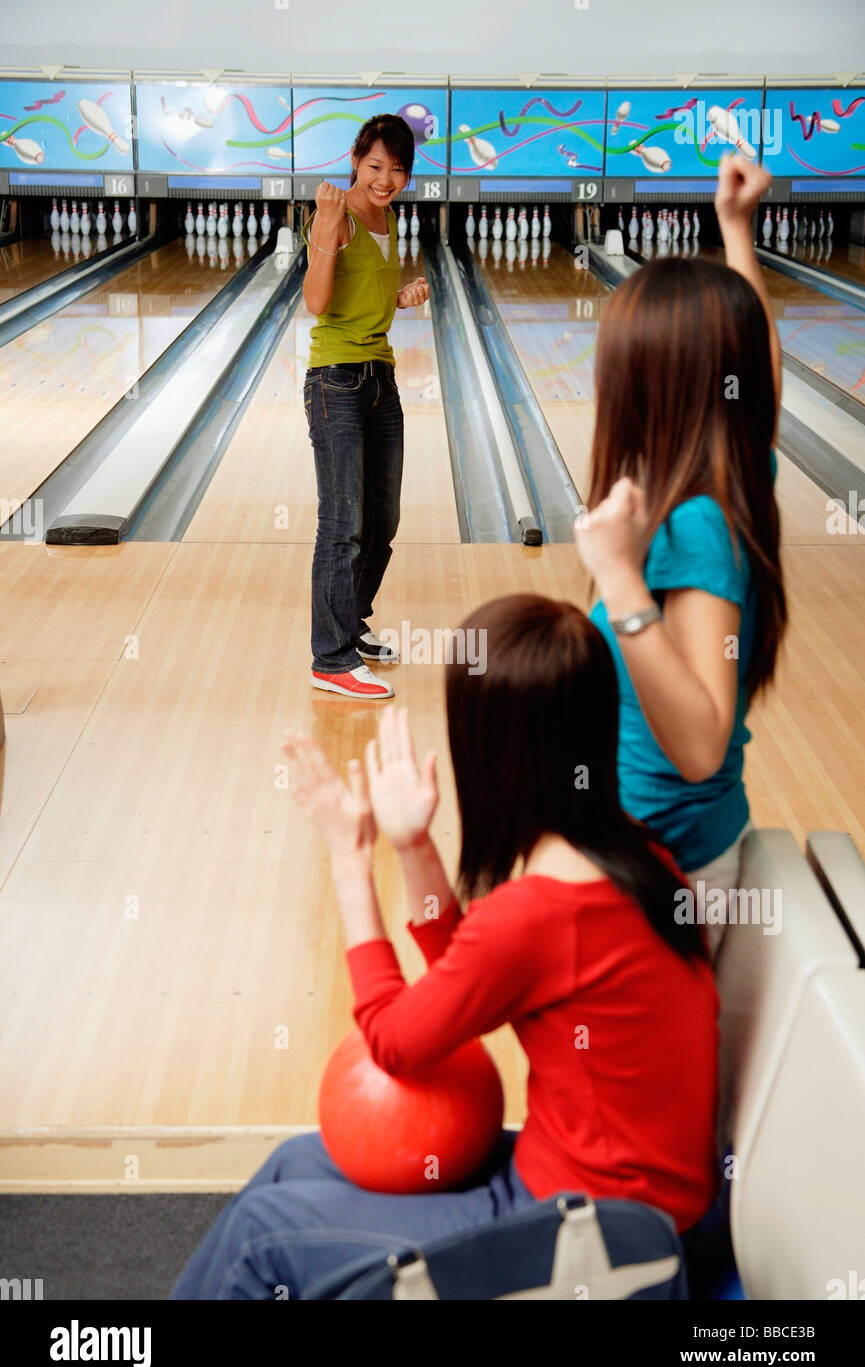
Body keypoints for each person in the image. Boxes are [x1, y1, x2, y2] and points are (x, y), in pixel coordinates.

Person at [173, 597, 718, 1299]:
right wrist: (411, 845)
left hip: (604, 1243)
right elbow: (475, 975)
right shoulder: (640, 859)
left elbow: (394, 1042)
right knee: (289, 1164)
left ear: (487, 749)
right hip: (629, 1202)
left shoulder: (543, 909)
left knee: (260, 1233)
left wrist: (349, 856)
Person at [575, 155, 787, 957]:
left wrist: (621, 580)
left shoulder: (694, 528)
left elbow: (699, 747)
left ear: (646, 383)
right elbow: (753, 386)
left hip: (665, 868)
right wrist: (736, 230)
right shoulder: (733, 477)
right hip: (664, 851)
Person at [301, 113, 430, 701]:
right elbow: (317, 302)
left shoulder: (390, 216)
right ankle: (329, 660)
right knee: (343, 523)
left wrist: (399, 296)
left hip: (380, 378)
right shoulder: (338, 218)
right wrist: (326, 227)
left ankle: (349, 629)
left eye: (397, 170)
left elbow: (365, 296)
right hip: (336, 383)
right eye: (376, 166)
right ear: (355, 160)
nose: (386, 179)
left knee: (383, 520)